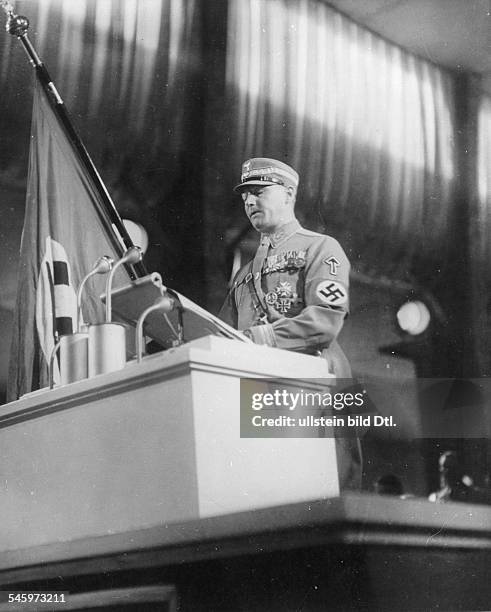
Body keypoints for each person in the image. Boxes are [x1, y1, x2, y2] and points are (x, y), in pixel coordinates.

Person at [219, 157, 361, 489]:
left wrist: (259, 337)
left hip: (316, 388)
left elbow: (324, 321)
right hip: (264, 398)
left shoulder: (321, 248)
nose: (250, 202)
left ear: (288, 194)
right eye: (244, 197)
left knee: (324, 493)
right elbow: (223, 335)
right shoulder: (243, 275)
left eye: (259, 192)